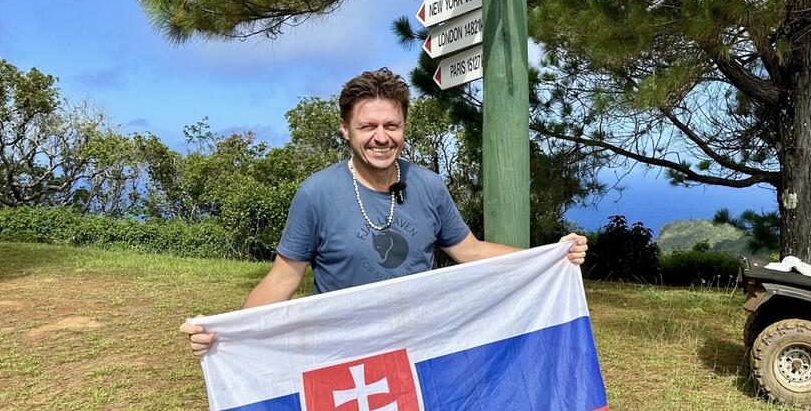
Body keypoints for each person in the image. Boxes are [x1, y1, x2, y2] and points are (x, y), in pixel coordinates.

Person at [182, 68, 587, 355]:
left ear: (405, 125)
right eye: (367, 126)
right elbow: (283, 279)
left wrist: (552, 254)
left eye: (391, 125)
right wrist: (227, 329)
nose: (381, 137)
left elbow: (471, 251)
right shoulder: (317, 194)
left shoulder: (428, 185)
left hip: (424, 344)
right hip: (343, 353)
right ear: (345, 129)